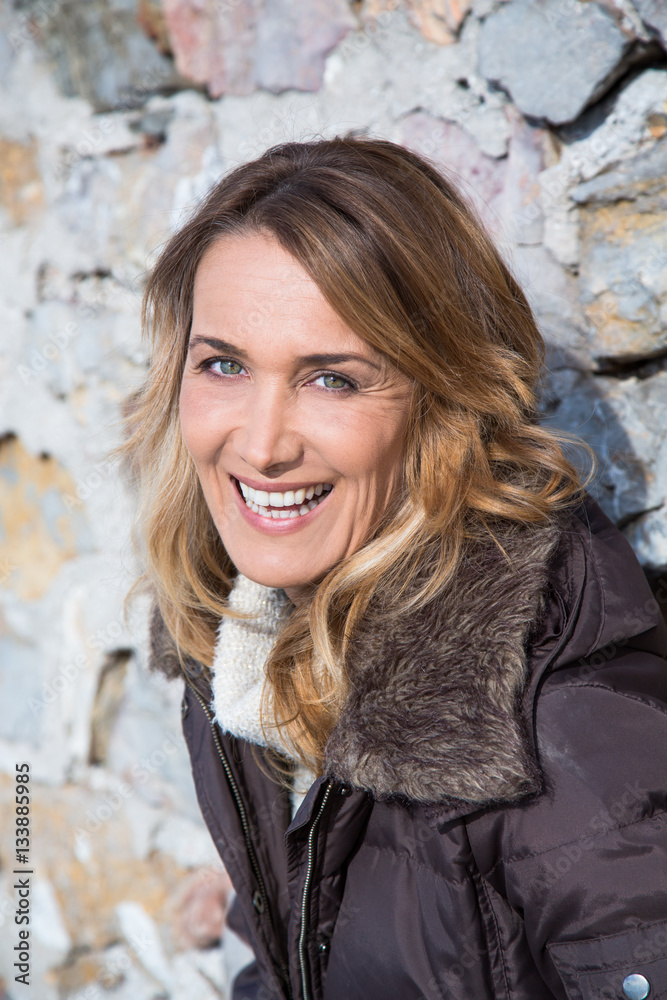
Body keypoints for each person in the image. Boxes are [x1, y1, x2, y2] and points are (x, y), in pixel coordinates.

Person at [123, 137, 667, 1000]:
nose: (260, 445)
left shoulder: (562, 733)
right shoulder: (244, 643)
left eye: (332, 380)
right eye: (224, 365)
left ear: (443, 400)